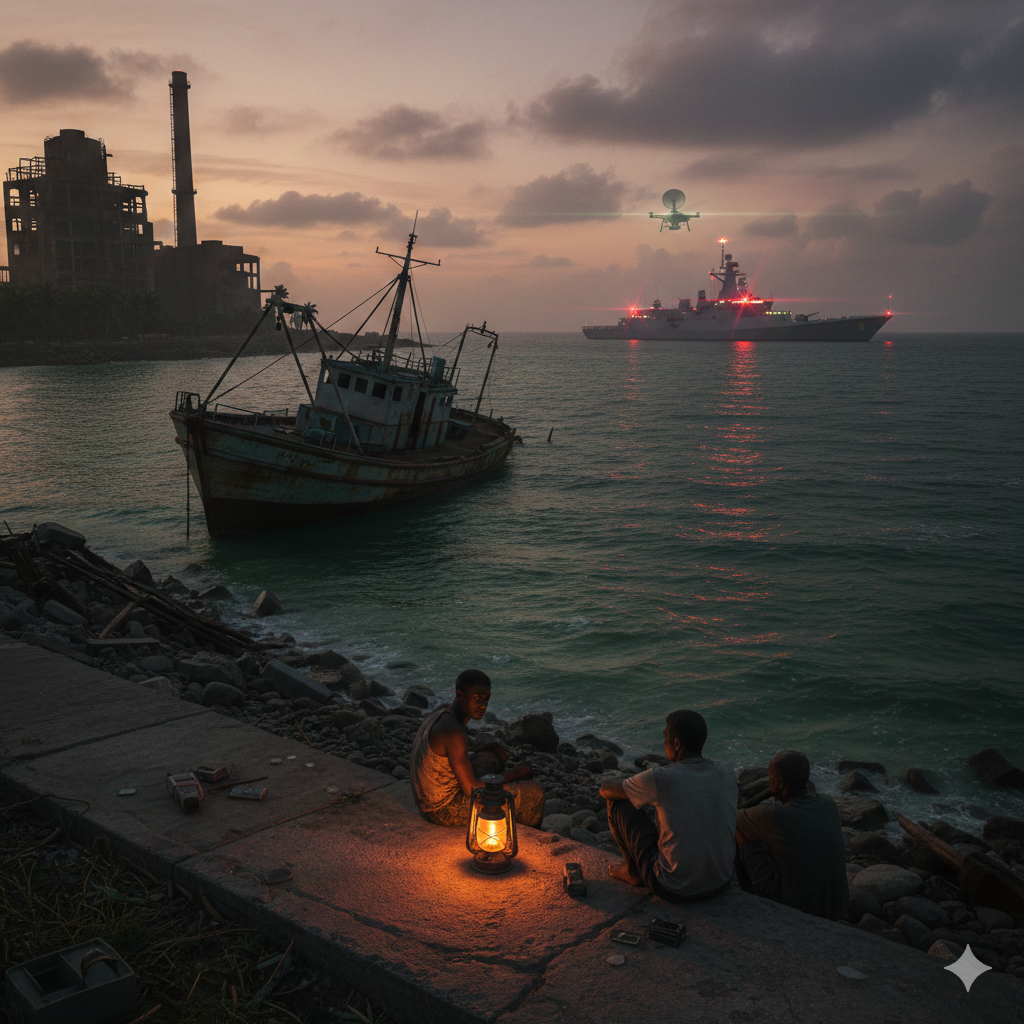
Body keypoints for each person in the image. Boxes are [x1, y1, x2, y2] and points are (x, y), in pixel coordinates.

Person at [600, 709, 737, 901]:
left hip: (673, 887)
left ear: (677, 743)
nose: (663, 742)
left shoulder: (662, 777)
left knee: (617, 803)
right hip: (721, 882)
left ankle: (633, 872)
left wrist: (633, 782)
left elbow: (605, 789)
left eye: (665, 737)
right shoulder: (727, 772)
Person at [409, 669, 546, 828]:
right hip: (442, 809)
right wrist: (515, 773)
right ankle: (526, 835)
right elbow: (471, 789)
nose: (483, 705)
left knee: (489, 758)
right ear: (460, 695)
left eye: (486, 700)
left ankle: (507, 815)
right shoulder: (453, 731)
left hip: (425, 799)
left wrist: (487, 747)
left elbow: (450, 756)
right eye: (477, 699)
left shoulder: (443, 711)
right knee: (535, 793)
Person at [734, 749, 849, 920]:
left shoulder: (775, 815)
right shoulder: (828, 804)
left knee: (742, 831)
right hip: (836, 908)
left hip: (795, 910)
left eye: (770, 778)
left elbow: (734, 818)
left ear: (779, 782)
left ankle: (751, 907)